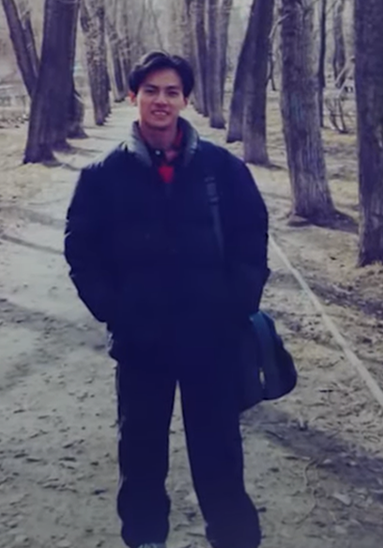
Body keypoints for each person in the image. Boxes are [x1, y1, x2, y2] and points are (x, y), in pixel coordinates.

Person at [64, 51, 270, 548]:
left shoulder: (222, 170)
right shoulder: (102, 175)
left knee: (220, 455)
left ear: (185, 100)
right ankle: (145, 539)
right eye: (151, 90)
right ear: (133, 96)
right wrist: (116, 309)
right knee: (140, 456)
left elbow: (252, 239)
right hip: (141, 343)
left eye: (172, 91)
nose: (161, 100)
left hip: (211, 339)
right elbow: (81, 251)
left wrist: (235, 303)